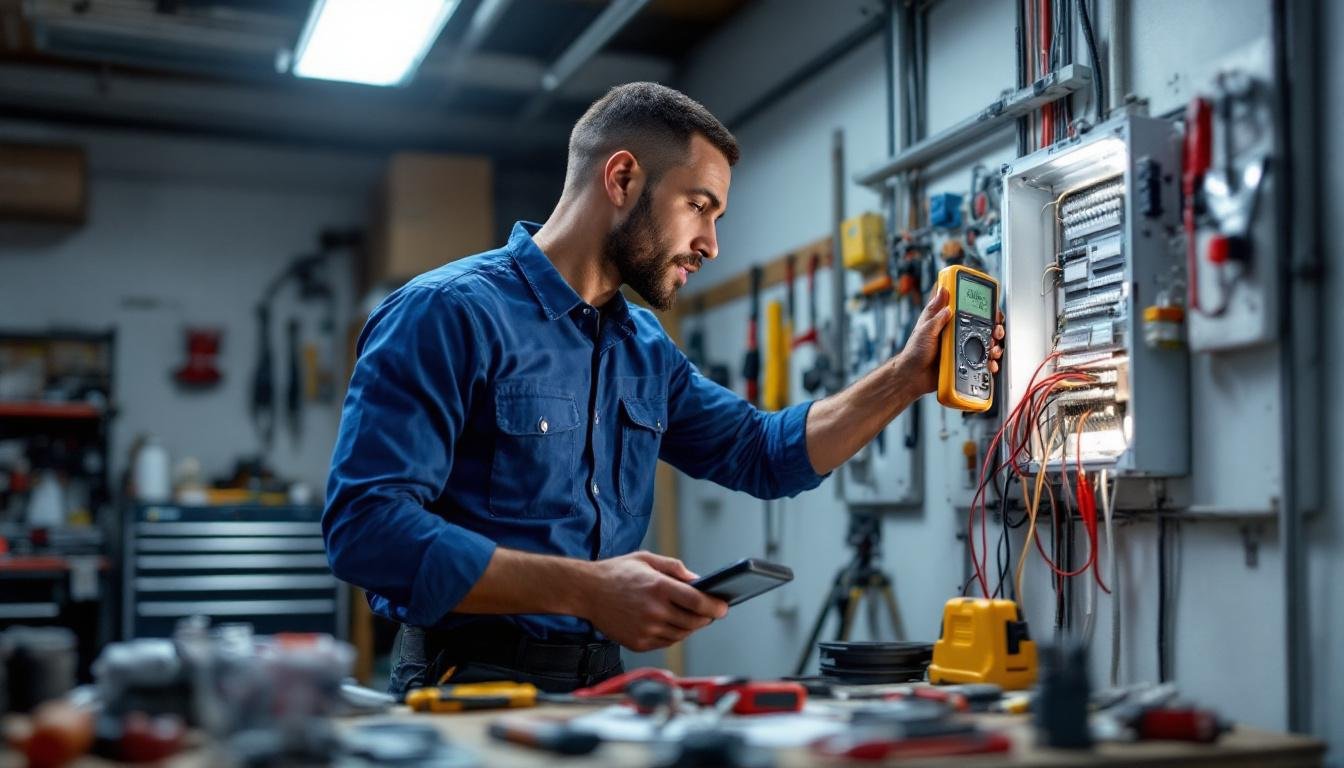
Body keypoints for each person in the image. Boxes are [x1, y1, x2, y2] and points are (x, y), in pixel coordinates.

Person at [324, 82, 1004, 695]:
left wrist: (906, 377)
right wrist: (589, 591)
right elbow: (366, 530)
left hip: (602, 685)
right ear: (622, 177)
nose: (711, 244)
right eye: (699, 207)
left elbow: (765, 454)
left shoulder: (645, 349)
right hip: (461, 684)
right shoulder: (445, 313)